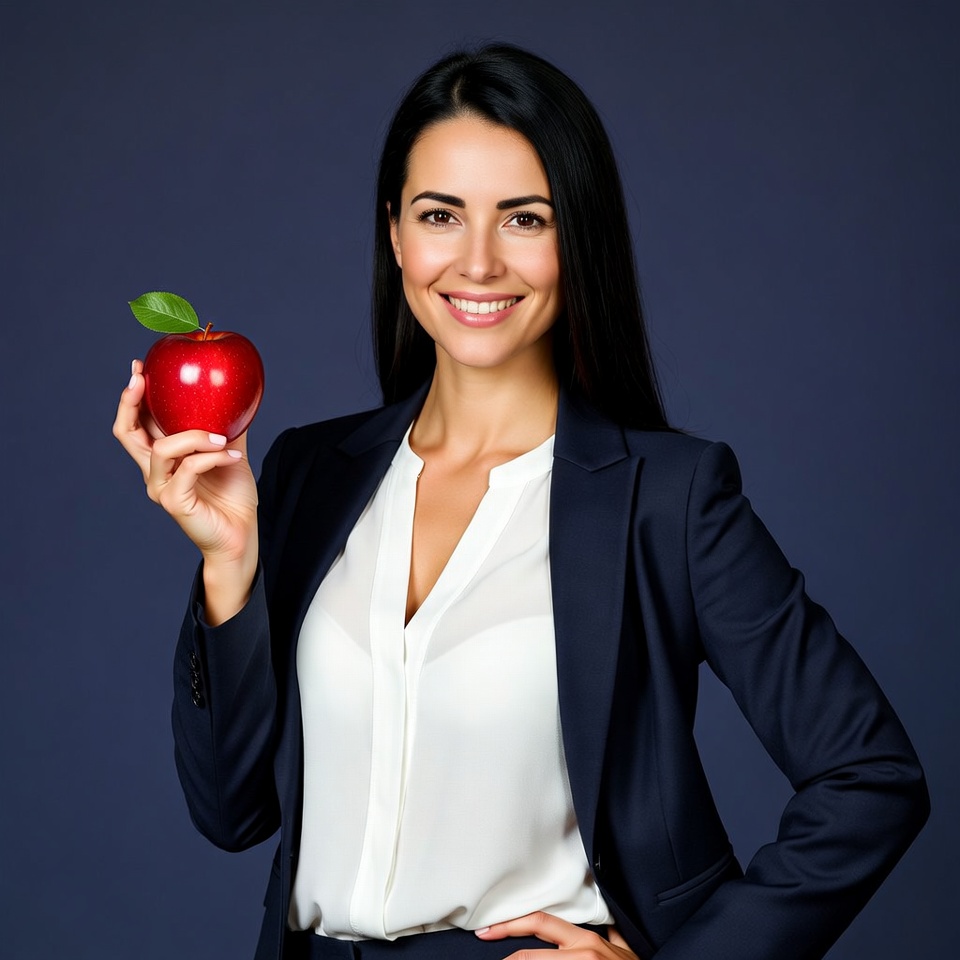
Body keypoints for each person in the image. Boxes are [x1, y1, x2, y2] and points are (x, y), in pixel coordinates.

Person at [113, 43, 928, 960]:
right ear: (394, 234)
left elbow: (871, 778)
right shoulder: (309, 473)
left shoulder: (667, 498)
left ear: (577, 237)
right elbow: (233, 813)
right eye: (440, 215)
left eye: (525, 219)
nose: (478, 261)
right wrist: (230, 563)